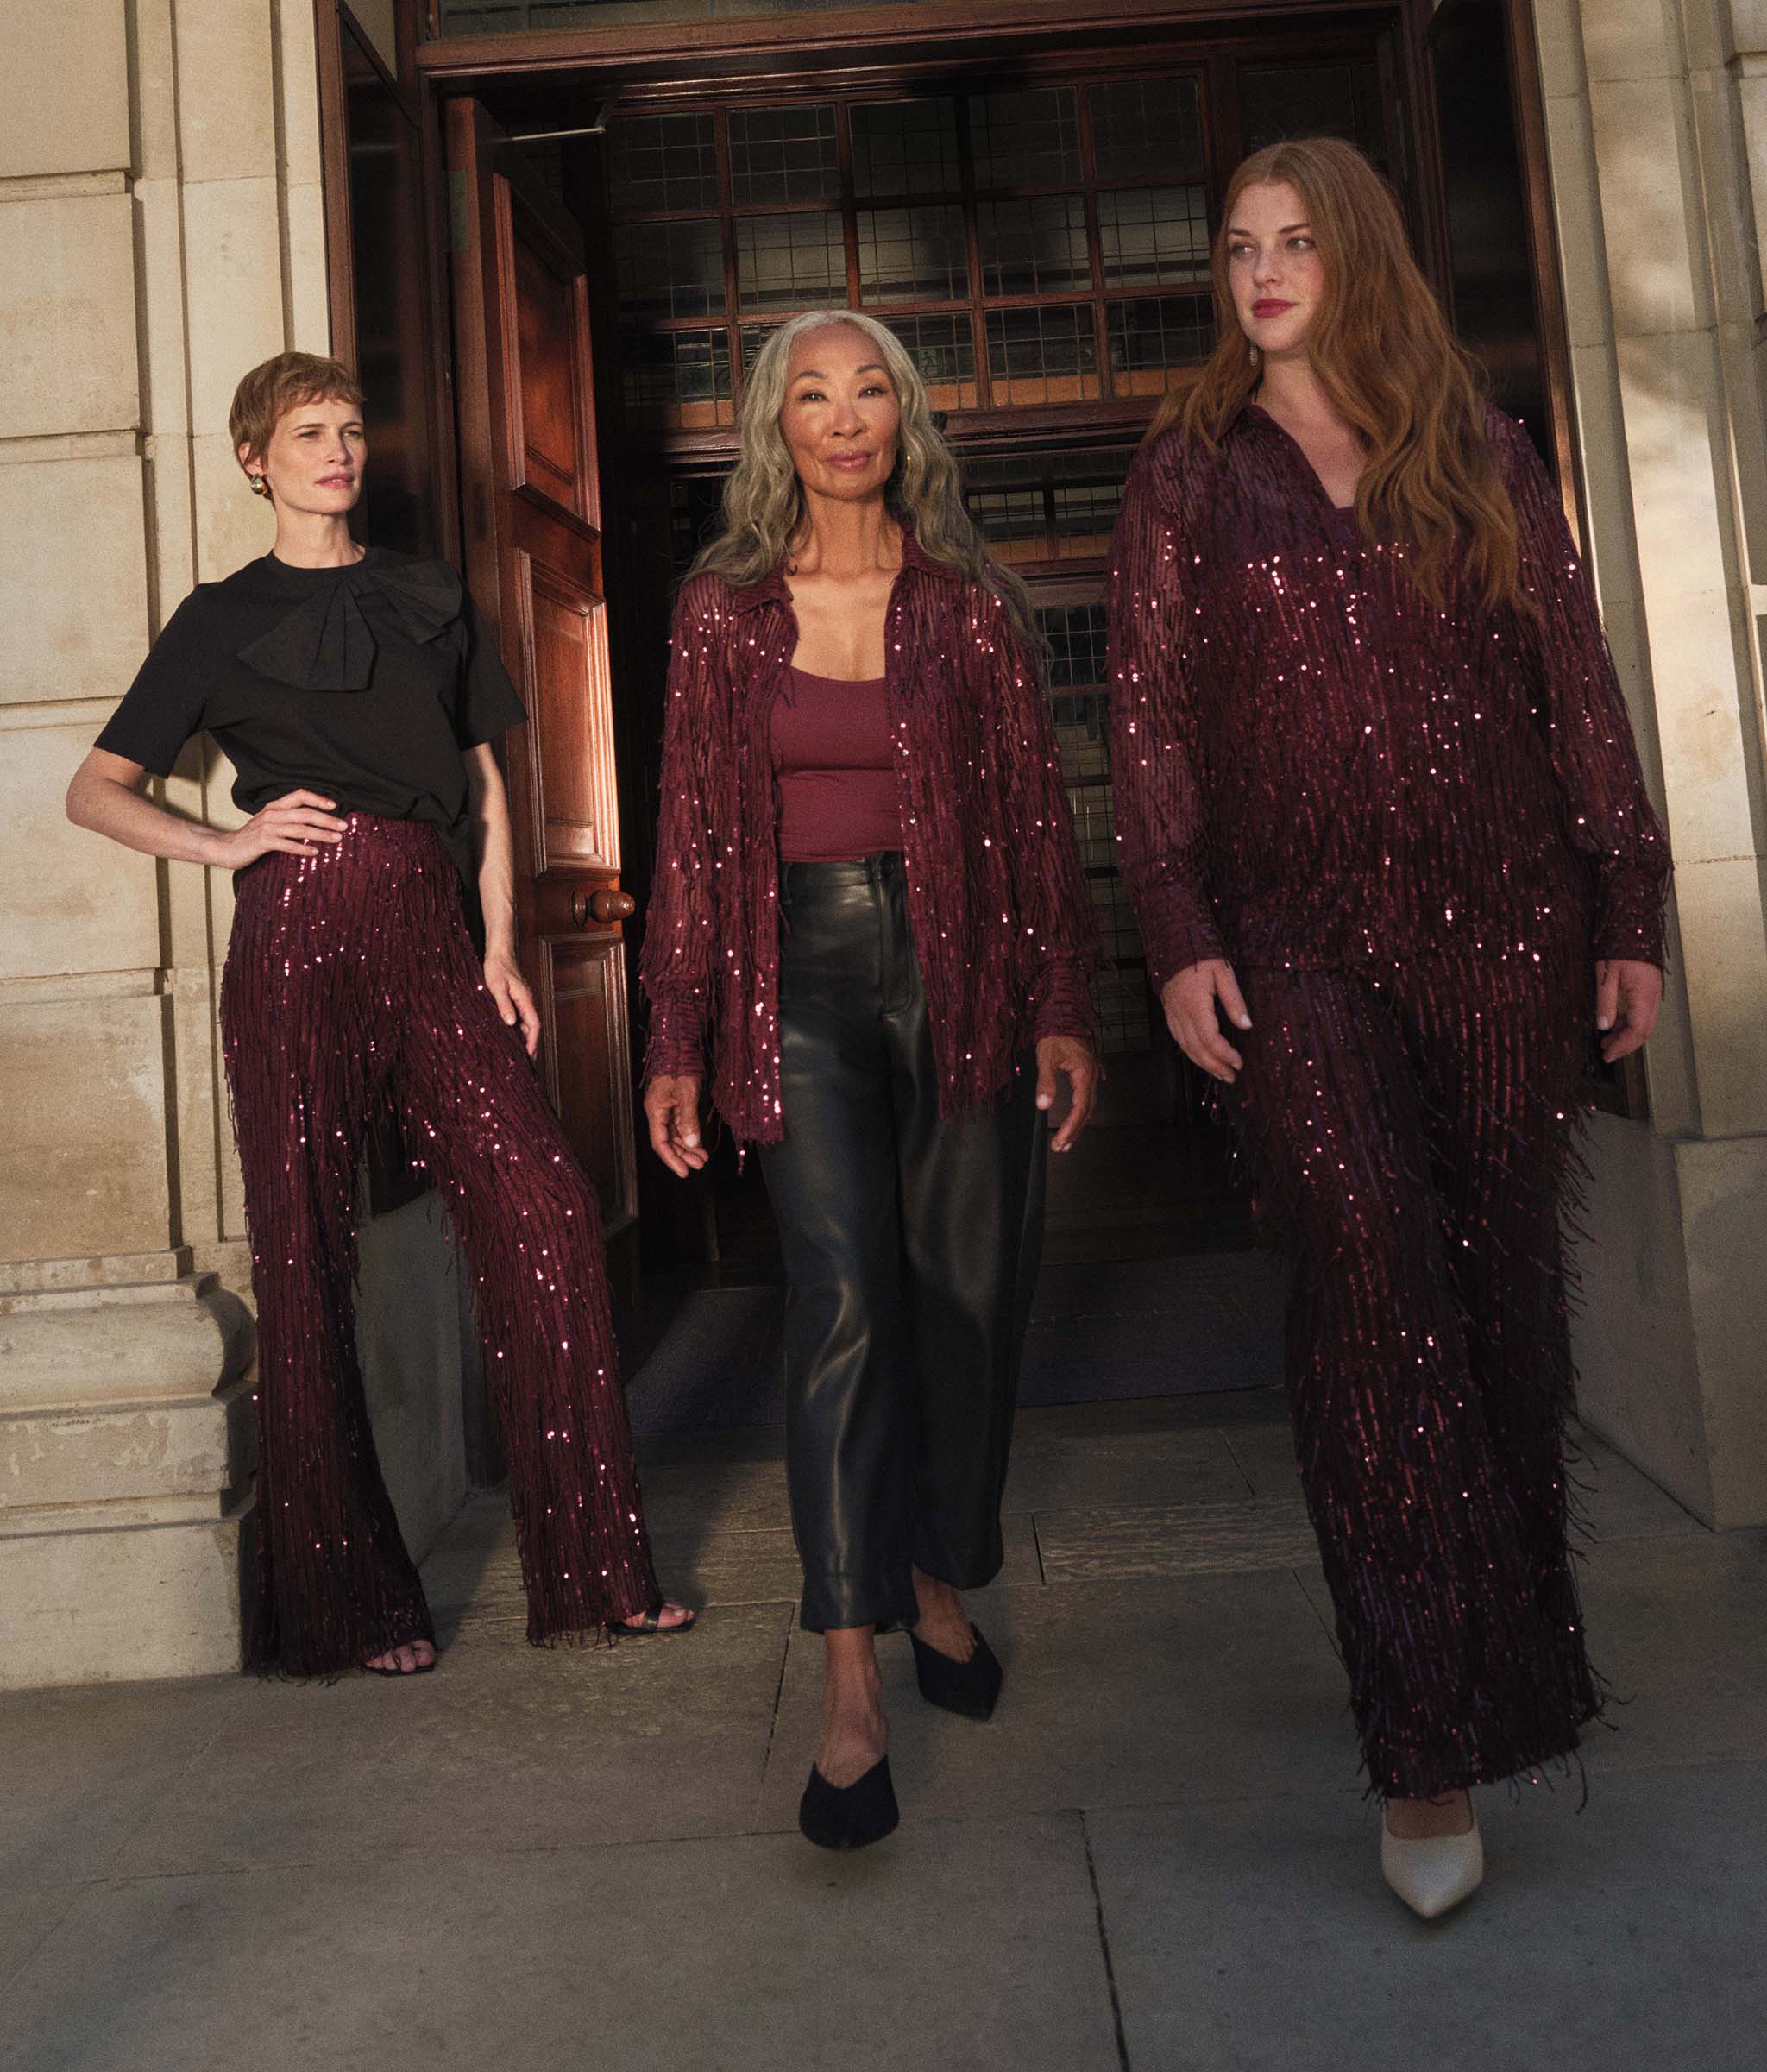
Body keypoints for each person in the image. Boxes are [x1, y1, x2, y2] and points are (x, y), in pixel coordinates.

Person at [1106, 139, 1671, 1918]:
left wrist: (1626, 904)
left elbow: (1572, 690)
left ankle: (1506, 1671)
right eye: (1236, 244)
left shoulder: (1481, 455)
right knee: (1371, 1288)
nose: (1261, 270)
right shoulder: (1187, 474)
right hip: (1293, 949)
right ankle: (1425, 1746)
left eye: (1294, 242)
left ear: (1356, 259)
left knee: (1498, 1302)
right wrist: (1180, 927)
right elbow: (1147, 730)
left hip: (1508, 934)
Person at [66, 351, 692, 1678]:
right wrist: (226, 847)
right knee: (303, 1264)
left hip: (425, 925)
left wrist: (504, 944)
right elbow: (95, 789)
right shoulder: (219, 619)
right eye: (308, 433)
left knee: (549, 1216)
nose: (338, 450)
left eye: (350, 430)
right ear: (256, 459)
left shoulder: (425, 595)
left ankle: (601, 1575)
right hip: (292, 939)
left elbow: (482, 777)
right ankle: (352, 1609)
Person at [640, 310, 1100, 1848]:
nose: (845, 418)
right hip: (797, 980)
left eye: (871, 392)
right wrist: (675, 1036)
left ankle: (927, 1567)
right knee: (840, 1302)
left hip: (962, 965)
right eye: (813, 395)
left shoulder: (968, 604)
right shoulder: (720, 614)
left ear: (906, 416)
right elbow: (694, 847)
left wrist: (1058, 1002)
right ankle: (850, 1683)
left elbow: (1037, 815)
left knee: (965, 1298)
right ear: (776, 424)